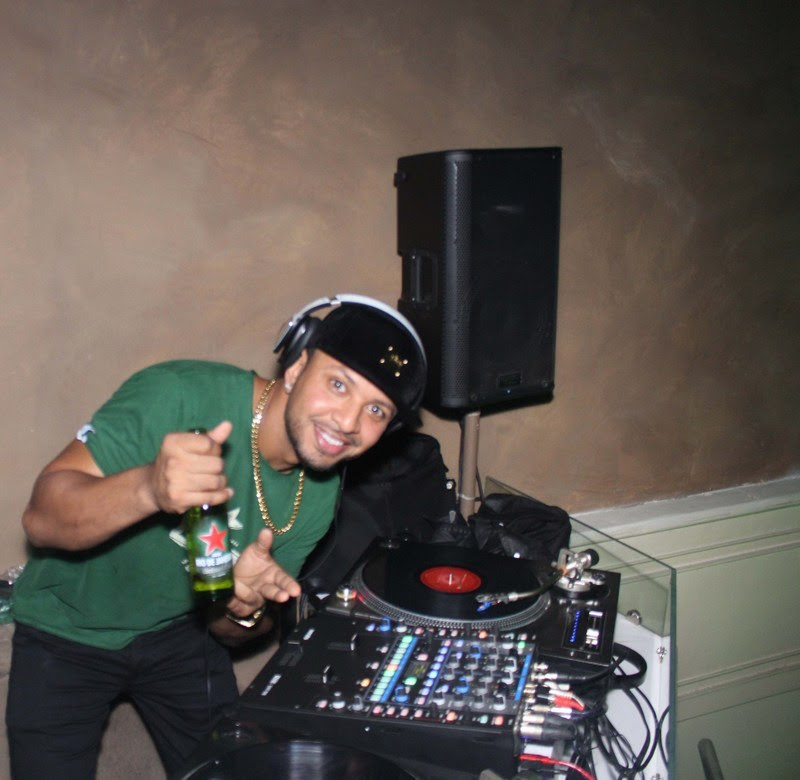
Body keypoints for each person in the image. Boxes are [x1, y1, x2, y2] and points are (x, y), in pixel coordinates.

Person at [6, 294, 427, 779]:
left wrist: (240, 605)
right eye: (337, 384)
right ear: (296, 368)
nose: (348, 422)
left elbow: (231, 631)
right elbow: (41, 518)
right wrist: (149, 487)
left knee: (236, 767)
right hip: (64, 629)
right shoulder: (178, 394)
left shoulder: (317, 494)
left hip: (178, 633)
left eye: (375, 410)